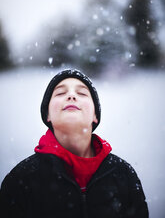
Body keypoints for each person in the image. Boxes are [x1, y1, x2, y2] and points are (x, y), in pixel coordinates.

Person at [0, 69, 149, 218]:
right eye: (60, 93)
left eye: (82, 93)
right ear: (47, 115)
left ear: (95, 115)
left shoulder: (124, 174)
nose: (71, 96)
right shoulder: (20, 180)